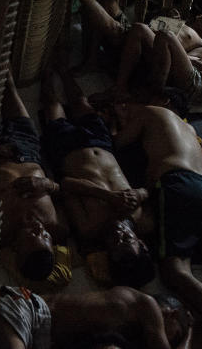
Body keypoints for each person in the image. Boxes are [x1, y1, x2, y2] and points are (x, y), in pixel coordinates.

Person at [111, 100, 202, 319]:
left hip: (181, 184)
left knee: (175, 271)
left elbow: (118, 142)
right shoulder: (188, 128)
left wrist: (116, 122)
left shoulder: (148, 109)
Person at [41, 68, 155, 288]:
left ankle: (46, 72)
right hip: (103, 147)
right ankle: (62, 67)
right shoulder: (143, 221)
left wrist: (108, 196)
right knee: (81, 102)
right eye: (127, 239)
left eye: (114, 244)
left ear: (107, 251)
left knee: (51, 104)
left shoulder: (89, 227)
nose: (118, 234)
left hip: (68, 152)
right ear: (141, 243)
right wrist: (139, 193)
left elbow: (66, 184)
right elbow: (150, 188)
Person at [0, 72, 67, 281]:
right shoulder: (57, 226)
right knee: (8, 86)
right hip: (27, 148)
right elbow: (64, 188)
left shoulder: (0, 231)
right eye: (45, 236)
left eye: (34, 236)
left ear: (16, 247)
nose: (40, 229)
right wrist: (46, 184)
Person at [0, 285, 191, 349]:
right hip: (27, 308)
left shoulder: (124, 330)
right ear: (171, 313)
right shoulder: (148, 305)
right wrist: (189, 335)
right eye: (176, 334)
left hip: (34, 334)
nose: (172, 340)